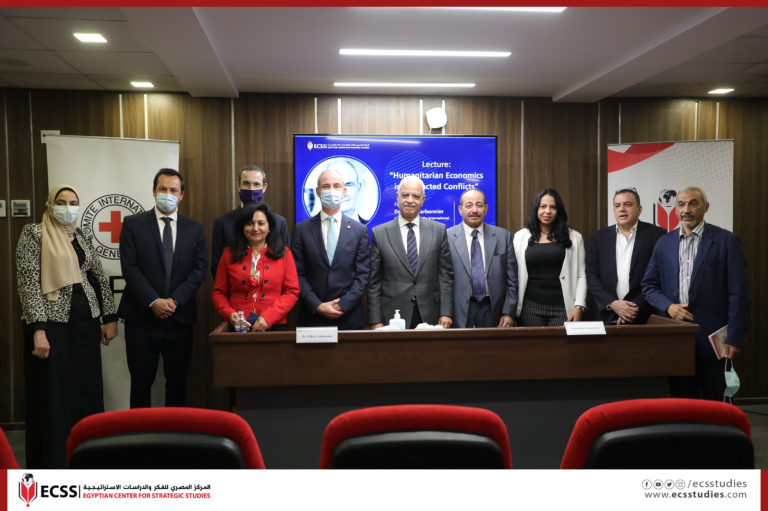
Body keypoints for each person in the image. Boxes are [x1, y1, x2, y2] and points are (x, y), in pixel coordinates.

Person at [16, 184, 118, 468]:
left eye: (73, 202)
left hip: (85, 325)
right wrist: (38, 330)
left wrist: (109, 317)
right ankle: (54, 463)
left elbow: (98, 277)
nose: (68, 207)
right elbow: (28, 284)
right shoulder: (34, 234)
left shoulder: (81, 235)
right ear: (49, 205)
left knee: (87, 392)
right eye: (61, 202)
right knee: (55, 397)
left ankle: (87, 458)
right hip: (52, 328)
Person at [642, 186, 751, 400]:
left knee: (716, 403)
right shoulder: (664, 243)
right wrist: (668, 306)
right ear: (676, 209)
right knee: (681, 403)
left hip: (714, 340)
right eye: (681, 204)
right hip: (676, 340)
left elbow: (739, 293)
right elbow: (649, 286)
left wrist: (736, 336)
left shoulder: (726, 241)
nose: (686, 210)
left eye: (693, 203)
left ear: (706, 207)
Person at [118, 168, 207, 408]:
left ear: (181, 195)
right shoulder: (133, 224)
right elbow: (130, 267)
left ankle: (173, 429)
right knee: (140, 382)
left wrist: (174, 300)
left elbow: (200, 269)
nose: (168, 194)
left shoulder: (194, 228)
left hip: (179, 318)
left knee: (177, 383)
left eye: (173, 190)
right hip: (141, 317)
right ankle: (140, 430)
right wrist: (153, 301)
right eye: (162, 189)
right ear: (153, 191)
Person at [368, 176, 453, 329]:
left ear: (423, 200)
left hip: (431, 313)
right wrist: (375, 320)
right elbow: (374, 282)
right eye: (405, 195)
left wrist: (446, 312)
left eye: (416, 196)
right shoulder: (379, 233)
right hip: (392, 314)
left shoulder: (438, 231)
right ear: (397, 196)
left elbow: (445, 277)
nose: (410, 200)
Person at [291, 168, 370, 329]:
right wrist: (317, 305)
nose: (331, 190)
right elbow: (297, 274)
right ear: (318, 192)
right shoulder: (301, 230)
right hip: (313, 318)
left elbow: (363, 275)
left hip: (348, 317)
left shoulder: (360, 230)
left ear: (344, 192)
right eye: (326, 186)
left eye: (336, 186)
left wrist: (343, 305)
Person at [212, 202, 300, 331]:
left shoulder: (284, 254)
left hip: (274, 325)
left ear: (269, 227)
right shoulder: (228, 254)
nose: (255, 228)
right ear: (242, 227)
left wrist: (268, 317)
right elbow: (218, 292)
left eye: (261, 223)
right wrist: (229, 314)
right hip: (239, 326)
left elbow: (292, 292)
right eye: (249, 223)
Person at [586, 188, 666, 325]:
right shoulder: (598, 238)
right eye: (617, 206)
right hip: (606, 315)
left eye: (627, 204)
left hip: (644, 316)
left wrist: (634, 308)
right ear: (614, 210)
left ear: (639, 209)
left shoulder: (657, 235)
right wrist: (612, 303)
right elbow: (591, 275)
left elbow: (661, 276)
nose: (622, 209)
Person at [513, 188, 587, 326]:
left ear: (559, 210)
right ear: (536, 209)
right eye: (543, 206)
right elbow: (513, 274)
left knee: (560, 341)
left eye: (553, 207)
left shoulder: (574, 237)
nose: (547, 211)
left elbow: (581, 274)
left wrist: (579, 306)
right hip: (530, 306)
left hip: (563, 307)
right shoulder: (520, 237)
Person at [447, 188, 518, 328]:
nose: (474, 210)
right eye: (469, 205)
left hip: (493, 309)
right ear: (460, 210)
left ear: (486, 209)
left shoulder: (503, 237)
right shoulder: (447, 237)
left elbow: (512, 280)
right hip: (459, 310)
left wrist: (508, 312)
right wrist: (445, 313)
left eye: (479, 205)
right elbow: (443, 280)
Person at [211, 165, 291, 278]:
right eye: (246, 183)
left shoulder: (279, 222)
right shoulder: (222, 222)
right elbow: (217, 266)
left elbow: (286, 263)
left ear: (264, 187)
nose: (251, 189)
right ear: (238, 186)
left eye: (256, 184)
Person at [315, 158, 370, 224]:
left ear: (358, 188)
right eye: (336, 186)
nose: (343, 194)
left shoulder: (372, 228)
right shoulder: (306, 227)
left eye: (349, 185)